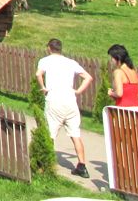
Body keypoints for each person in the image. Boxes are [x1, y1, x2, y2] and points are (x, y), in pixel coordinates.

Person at [36, 38, 93, 178]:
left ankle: (46, 164)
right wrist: (78, 91)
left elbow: (38, 74)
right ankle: (82, 165)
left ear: (49, 48)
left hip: (54, 100)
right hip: (70, 101)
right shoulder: (71, 62)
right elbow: (88, 77)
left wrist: (43, 87)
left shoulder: (45, 61)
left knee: (50, 133)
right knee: (75, 134)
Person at [107, 43, 138, 108]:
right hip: (136, 109)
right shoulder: (134, 72)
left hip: (123, 110)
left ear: (118, 58)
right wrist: (129, 95)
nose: (111, 61)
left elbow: (119, 93)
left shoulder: (118, 72)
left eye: (111, 58)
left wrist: (111, 93)